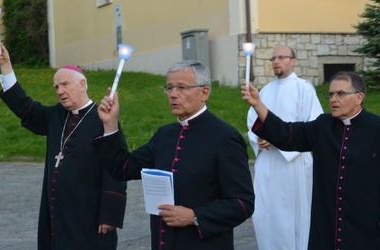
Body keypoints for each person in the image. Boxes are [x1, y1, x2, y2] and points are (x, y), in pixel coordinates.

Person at [92, 60, 255, 249]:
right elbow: (124, 168)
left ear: (204, 93)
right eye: (169, 88)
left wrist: (194, 216)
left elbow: (243, 203)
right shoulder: (165, 135)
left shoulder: (225, 137)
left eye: (181, 87)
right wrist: (110, 124)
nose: (173, 94)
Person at [0, 43, 127, 250]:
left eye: (65, 84)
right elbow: (24, 107)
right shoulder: (56, 116)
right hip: (56, 212)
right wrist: (6, 66)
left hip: (88, 213)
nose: (60, 91)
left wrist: (110, 214)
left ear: (82, 84)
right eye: (56, 87)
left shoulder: (103, 119)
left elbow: (116, 169)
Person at [241, 71, 380, 249]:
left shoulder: (376, 129)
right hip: (326, 225)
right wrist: (257, 104)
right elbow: (287, 133)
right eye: (331, 94)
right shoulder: (323, 126)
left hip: (364, 227)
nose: (333, 99)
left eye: (341, 94)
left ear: (359, 97)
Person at [247, 46, 323, 250]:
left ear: (293, 61)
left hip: (293, 164)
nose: (276, 61)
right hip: (269, 163)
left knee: (292, 216)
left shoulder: (304, 88)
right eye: (273, 58)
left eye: (281, 57)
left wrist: (279, 139)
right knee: (265, 213)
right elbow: (252, 120)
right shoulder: (265, 91)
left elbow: (313, 124)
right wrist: (259, 138)